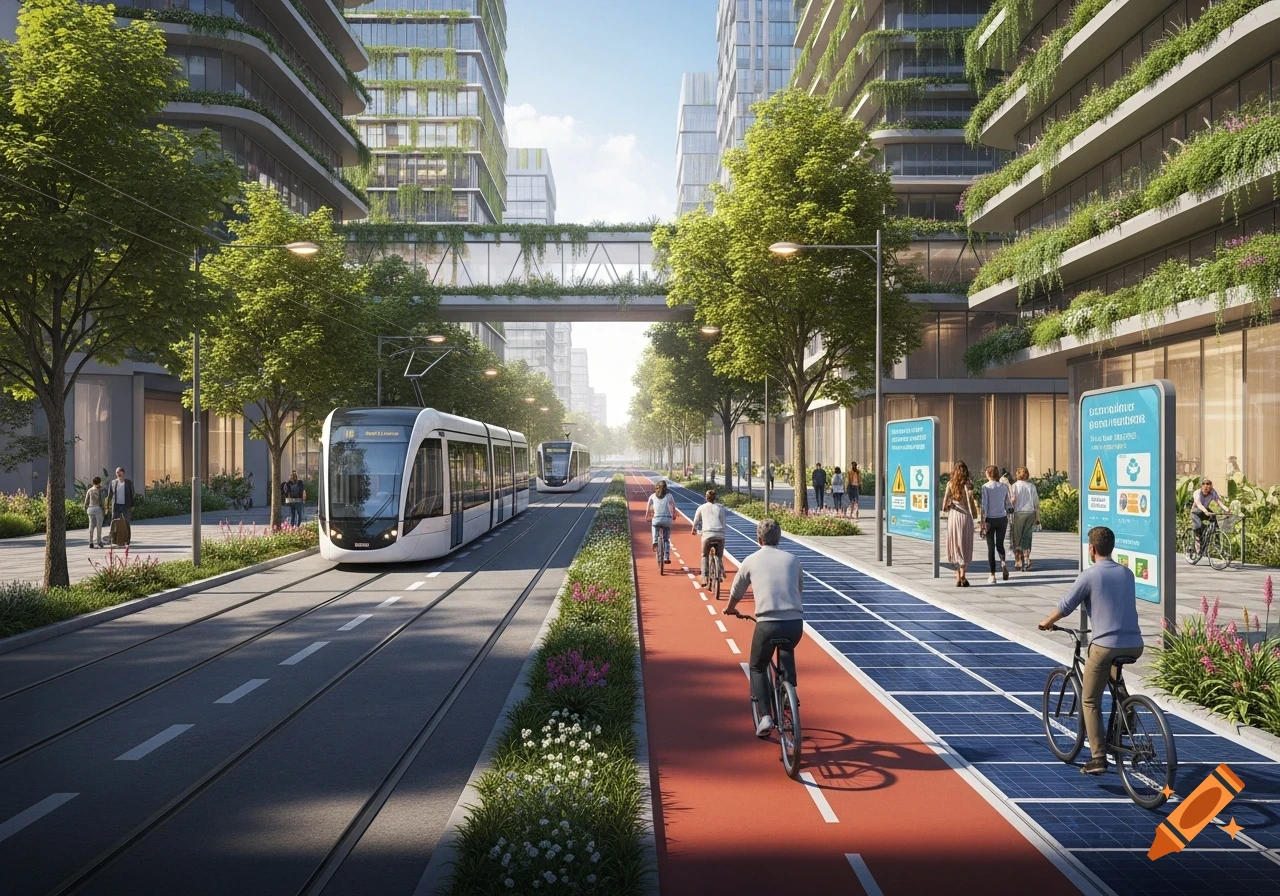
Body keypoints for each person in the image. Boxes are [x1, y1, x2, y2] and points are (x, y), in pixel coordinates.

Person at [1038, 526, 1145, 776]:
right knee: (1113, 676)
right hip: (1135, 644)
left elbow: (1066, 606)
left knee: (1089, 699)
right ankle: (1126, 710)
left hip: (1105, 644)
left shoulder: (1090, 575)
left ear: (1092, 549)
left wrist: (1047, 622)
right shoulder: (1127, 573)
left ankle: (1098, 757)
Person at [725, 518, 803, 737]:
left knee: (758, 666)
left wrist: (730, 608)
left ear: (758, 539)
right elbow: (799, 590)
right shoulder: (793, 559)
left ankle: (765, 716)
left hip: (767, 624)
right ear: (779, 538)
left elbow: (736, 591)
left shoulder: (750, 561)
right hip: (795, 624)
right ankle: (790, 692)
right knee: (787, 648)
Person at [979, 464, 1012, 584]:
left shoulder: (985, 487)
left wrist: (982, 521)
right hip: (1002, 518)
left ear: (988, 474)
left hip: (990, 519)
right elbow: (1008, 503)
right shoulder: (1003, 487)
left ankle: (992, 575)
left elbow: (984, 505)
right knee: (1000, 544)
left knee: (990, 547)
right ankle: (1003, 562)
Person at [944, 462, 976, 587]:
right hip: (966, 517)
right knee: (965, 545)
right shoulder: (969, 485)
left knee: (955, 545)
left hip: (954, 516)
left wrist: (951, 505)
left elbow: (944, 507)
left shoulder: (950, 484)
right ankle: (963, 574)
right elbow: (971, 504)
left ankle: (957, 576)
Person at [691, 488, 727, 587]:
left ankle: (705, 577)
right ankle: (719, 573)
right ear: (715, 498)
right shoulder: (720, 508)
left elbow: (696, 520)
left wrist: (694, 529)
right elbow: (723, 523)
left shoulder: (701, 507)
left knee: (704, 555)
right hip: (719, 534)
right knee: (719, 555)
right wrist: (722, 534)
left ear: (706, 498)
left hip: (707, 535)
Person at [1010, 467, 1040, 572]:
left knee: (1017, 537)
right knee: (1027, 537)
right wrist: (1037, 517)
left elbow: (1012, 501)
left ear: (1017, 474)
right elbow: (1036, 503)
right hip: (1030, 513)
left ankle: (1018, 560)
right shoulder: (1032, 486)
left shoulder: (1014, 486)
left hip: (1019, 513)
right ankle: (1027, 559)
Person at [1191, 478, 1230, 552]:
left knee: (1214, 521)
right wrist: (1205, 511)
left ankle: (1217, 541)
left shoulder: (1213, 492)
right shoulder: (1197, 493)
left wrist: (1226, 509)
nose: (1205, 490)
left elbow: (1218, 502)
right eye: (1204, 487)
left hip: (1206, 510)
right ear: (1201, 487)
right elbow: (1198, 504)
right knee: (1199, 526)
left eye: (1207, 488)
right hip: (1196, 512)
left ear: (1210, 488)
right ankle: (1197, 542)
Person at [646, 479, 676, 564]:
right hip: (667, 519)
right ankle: (666, 557)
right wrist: (673, 515)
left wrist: (646, 516)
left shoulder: (652, 496)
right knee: (666, 539)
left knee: (654, 526)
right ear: (666, 488)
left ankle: (655, 541)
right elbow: (673, 506)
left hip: (657, 519)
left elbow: (648, 507)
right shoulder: (669, 496)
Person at [108, 466, 134, 545]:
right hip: (116, 505)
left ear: (123, 473)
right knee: (114, 522)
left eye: (119, 472)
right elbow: (109, 495)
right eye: (117, 472)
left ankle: (127, 539)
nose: (118, 474)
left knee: (126, 522)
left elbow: (132, 494)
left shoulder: (129, 483)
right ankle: (113, 539)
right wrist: (108, 505)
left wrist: (132, 505)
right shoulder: (113, 482)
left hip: (126, 505)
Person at [84, 475, 106, 549]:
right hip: (98, 509)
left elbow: (86, 501)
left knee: (91, 526)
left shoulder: (89, 490)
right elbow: (105, 497)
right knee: (99, 526)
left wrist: (85, 508)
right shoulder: (102, 490)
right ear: (99, 482)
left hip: (90, 509)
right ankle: (99, 542)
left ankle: (90, 542)